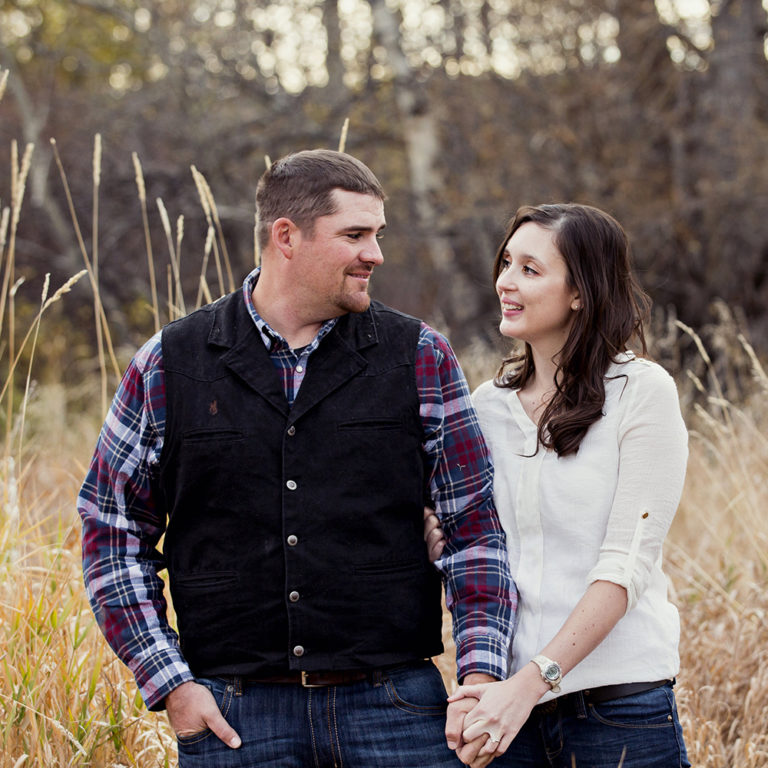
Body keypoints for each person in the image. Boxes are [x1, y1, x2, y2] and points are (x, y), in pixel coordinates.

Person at [77, 148, 517, 767]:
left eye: (378, 234)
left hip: (397, 710)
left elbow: (474, 528)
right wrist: (170, 683)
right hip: (235, 716)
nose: (376, 254)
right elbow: (111, 528)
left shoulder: (420, 356)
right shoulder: (169, 363)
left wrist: (480, 675)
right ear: (286, 236)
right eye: (355, 234)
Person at [434, 203, 690, 767]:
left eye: (530, 269)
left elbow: (625, 565)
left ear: (580, 292)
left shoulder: (640, 392)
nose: (505, 281)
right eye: (506, 263)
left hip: (618, 711)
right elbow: (477, 548)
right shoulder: (486, 406)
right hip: (506, 719)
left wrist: (528, 686)